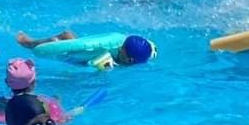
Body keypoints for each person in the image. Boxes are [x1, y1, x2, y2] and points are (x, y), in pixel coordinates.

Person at [15, 30, 155, 69]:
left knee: (68, 38)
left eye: (123, 49)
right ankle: (30, 42)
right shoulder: (109, 48)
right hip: (91, 54)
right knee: (68, 40)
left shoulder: (132, 60)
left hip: (89, 60)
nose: (120, 47)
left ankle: (62, 38)